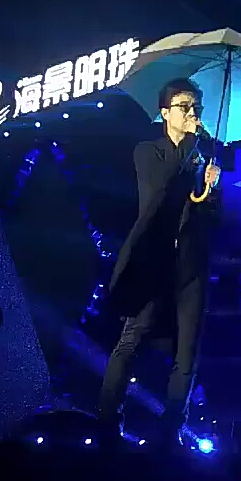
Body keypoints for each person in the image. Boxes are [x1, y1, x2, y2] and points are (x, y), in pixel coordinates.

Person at [97, 78, 221, 447]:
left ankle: (170, 431)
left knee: (188, 352)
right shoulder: (148, 151)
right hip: (154, 261)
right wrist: (192, 149)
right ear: (165, 113)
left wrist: (211, 189)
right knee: (131, 341)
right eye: (184, 106)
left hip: (190, 265)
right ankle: (107, 421)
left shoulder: (202, 159)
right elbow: (162, 189)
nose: (192, 113)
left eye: (196, 107)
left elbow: (210, 216)